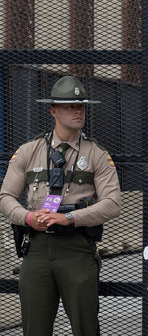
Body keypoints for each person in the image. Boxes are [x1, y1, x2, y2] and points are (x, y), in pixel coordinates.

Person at [0, 75, 121, 336]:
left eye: (81, 106)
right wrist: (28, 218)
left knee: (86, 328)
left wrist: (71, 218)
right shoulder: (28, 151)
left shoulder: (96, 155)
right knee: (34, 329)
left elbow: (113, 204)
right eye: (70, 106)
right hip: (37, 250)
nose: (78, 111)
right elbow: (5, 197)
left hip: (77, 250)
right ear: (54, 111)